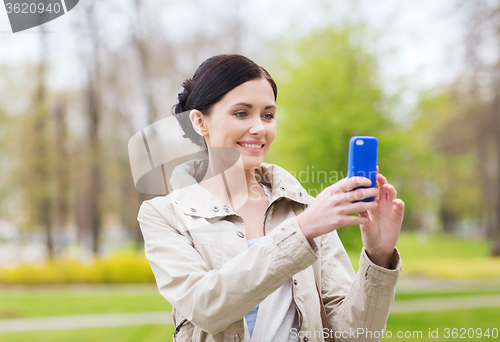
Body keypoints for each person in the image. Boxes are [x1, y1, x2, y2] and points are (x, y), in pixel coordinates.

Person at [137, 54, 405, 342]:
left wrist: (379, 258)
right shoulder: (164, 215)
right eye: (241, 113)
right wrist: (302, 232)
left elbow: (353, 336)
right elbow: (206, 308)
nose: (259, 128)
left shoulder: (306, 209)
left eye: (268, 115)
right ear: (200, 122)